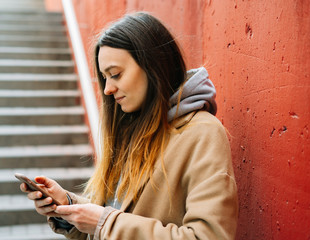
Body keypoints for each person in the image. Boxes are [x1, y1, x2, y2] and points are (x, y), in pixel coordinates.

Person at [20, 12, 238, 240]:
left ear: (153, 66)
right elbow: (117, 213)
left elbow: (209, 236)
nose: (107, 89)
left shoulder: (202, 133)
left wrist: (105, 224)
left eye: (115, 74)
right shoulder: (131, 128)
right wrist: (68, 206)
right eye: (105, 78)